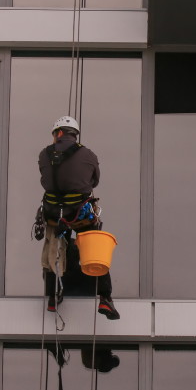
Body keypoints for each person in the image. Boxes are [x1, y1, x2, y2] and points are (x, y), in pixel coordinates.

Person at [38, 116, 119, 320]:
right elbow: (95, 180)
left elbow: (44, 178)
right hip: (79, 213)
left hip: (53, 214)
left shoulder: (44, 154)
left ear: (58, 133)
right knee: (94, 250)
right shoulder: (88, 154)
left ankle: (52, 297)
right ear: (75, 134)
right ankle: (105, 297)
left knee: (53, 250)